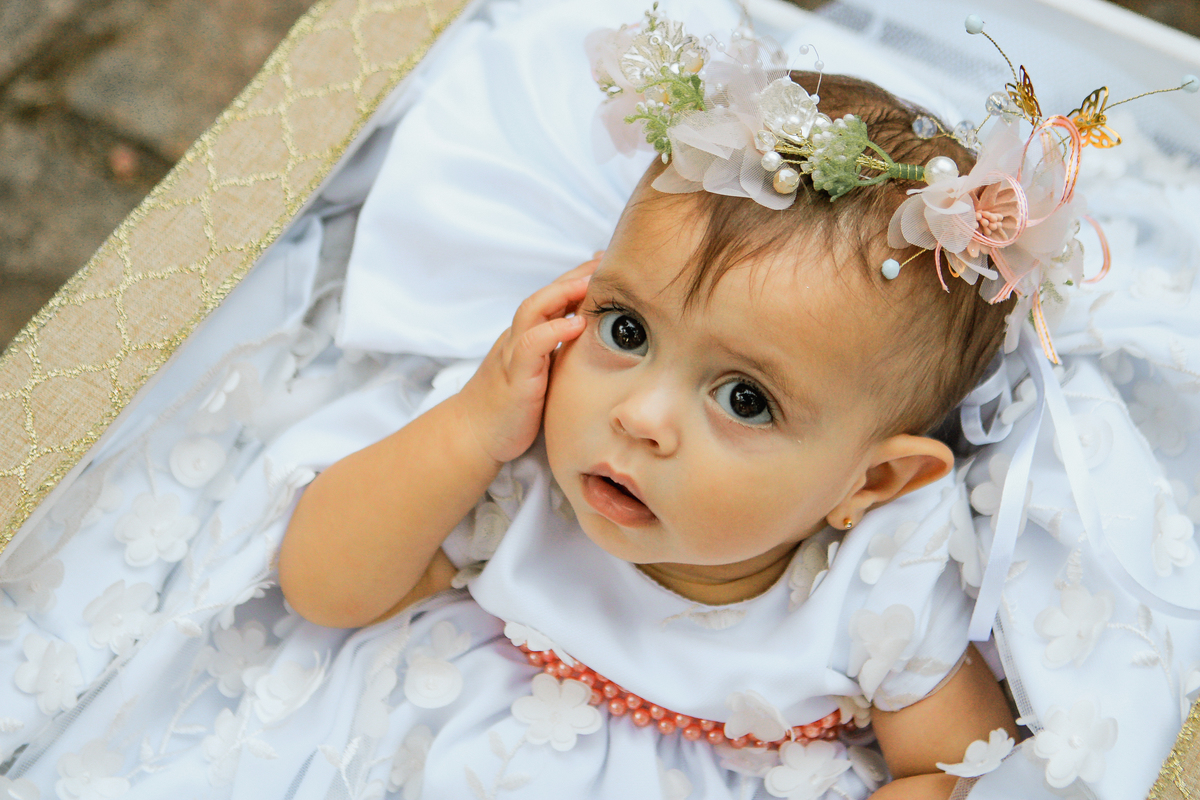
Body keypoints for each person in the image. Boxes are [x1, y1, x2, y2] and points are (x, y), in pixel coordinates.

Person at [277, 17, 1030, 796]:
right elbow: (323, 589)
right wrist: (468, 429)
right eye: (627, 329)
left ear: (867, 484)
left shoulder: (875, 584)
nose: (638, 415)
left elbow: (954, 769)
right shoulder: (524, 459)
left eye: (745, 399)